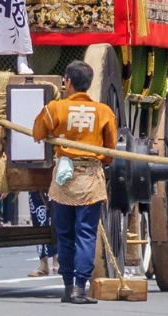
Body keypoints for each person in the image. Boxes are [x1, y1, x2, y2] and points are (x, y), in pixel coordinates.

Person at [30, 60, 116, 305]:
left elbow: (38, 134)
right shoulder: (104, 112)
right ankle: (80, 287)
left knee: (65, 234)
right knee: (86, 234)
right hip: (90, 178)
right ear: (88, 84)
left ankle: (68, 288)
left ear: (67, 82)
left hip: (64, 179)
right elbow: (110, 153)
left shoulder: (55, 108)